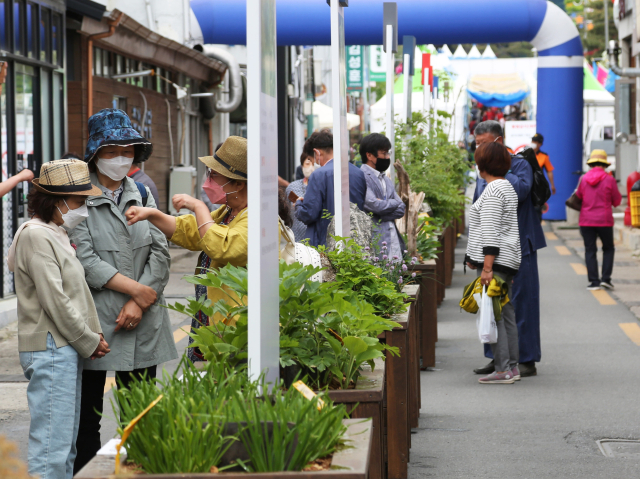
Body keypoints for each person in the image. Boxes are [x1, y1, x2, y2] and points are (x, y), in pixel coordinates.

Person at [71, 109, 178, 473]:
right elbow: (83, 258)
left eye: (128, 150)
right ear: (95, 153)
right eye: (112, 149)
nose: (121, 157)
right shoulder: (78, 195)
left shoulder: (143, 192)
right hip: (97, 320)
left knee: (142, 414)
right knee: (88, 418)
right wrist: (138, 290)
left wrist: (139, 300)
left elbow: (160, 250)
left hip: (142, 318)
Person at [9, 159, 110, 479]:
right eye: (79, 202)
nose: (84, 209)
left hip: (60, 346)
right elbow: (57, 299)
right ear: (56, 201)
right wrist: (88, 339)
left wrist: (88, 337)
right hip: (52, 346)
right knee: (52, 444)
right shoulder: (37, 235)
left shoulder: (54, 232)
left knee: (62, 443)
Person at [124, 136, 249, 361]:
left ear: (238, 184)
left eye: (215, 175)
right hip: (216, 317)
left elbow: (222, 246)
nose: (208, 180)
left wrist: (198, 205)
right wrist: (152, 214)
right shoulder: (228, 212)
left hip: (238, 324)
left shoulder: (255, 217)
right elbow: (190, 230)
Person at [473, 120, 546, 378]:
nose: (479, 148)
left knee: (522, 303)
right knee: (492, 303)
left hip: (521, 244)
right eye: (477, 144)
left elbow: (522, 191)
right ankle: (497, 358)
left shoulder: (520, 165)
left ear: (499, 142)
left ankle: (525, 359)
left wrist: (501, 170)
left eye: (484, 144)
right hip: (492, 247)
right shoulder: (484, 169)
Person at [465, 142, 521, 384]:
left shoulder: (493, 191)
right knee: (505, 313)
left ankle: (503, 369)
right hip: (505, 259)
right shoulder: (506, 187)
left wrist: (486, 267)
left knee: (496, 314)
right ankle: (513, 367)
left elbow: (490, 230)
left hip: (495, 262)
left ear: (483, 164)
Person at [295, 129, 367, 247]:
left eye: (311, 159)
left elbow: (309, 214)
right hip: (355, 243)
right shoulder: (358, 173)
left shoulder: (318, 175)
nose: (313, 163)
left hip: (326, 243)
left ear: (317, 152)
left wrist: (298, 204)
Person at [576, 149, 622, 290]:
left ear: (591, 164)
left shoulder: (583, 179)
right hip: (604, 221)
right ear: (604, 164)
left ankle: (594, 282)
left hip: (586, 220)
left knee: (590, 250)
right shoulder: (610, 180)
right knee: (608, 248)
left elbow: (578, 196)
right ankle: (606, 279)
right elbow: (617, 201)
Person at [359, 133, 405, 258]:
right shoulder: (362, 176)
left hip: (393, 240)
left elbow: (401, 208)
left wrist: (381, 212)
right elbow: (374, 205)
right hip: (376, 241)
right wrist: (393, 203)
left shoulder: (385, 178)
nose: (387, 157)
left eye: (387, 153)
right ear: (369, 155)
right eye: (384, 153)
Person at [285, 151, 316, 241]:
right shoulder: (292, 187)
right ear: (302, 166)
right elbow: (286, 213)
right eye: (307, 163)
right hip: (296, 237)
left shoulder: (322, 186)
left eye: (314, 164)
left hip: (315, 237)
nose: (311, 167)